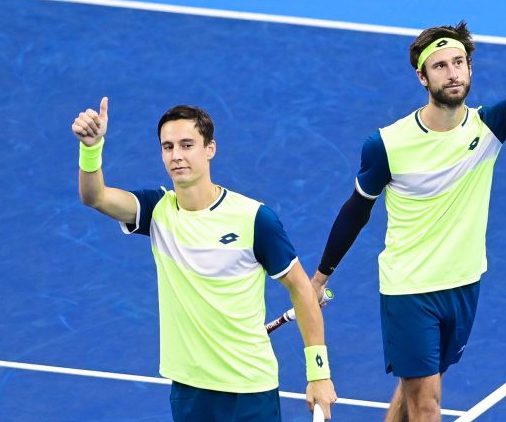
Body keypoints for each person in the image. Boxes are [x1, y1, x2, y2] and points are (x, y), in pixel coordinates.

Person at [310, 0, 506, 422]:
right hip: (409, 288)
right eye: (440, 65)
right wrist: (319, 278)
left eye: (459, 63)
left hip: (464, 282)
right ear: (422, 77)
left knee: (417, 386)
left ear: (469, 69)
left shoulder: (489, 128)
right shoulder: (387, 145)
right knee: (428, 405)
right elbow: (355, 211)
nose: (452, 73)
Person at [71, 100, 337, 421]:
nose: (176, 155)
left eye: (187, 145)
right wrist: (91, 148)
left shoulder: (254, 219)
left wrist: (318, 373)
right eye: (167, 147)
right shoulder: (158, 211)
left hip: (249, 389)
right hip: (189, 388)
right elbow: (95, 196)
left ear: (210, 149)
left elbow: (301, 289)